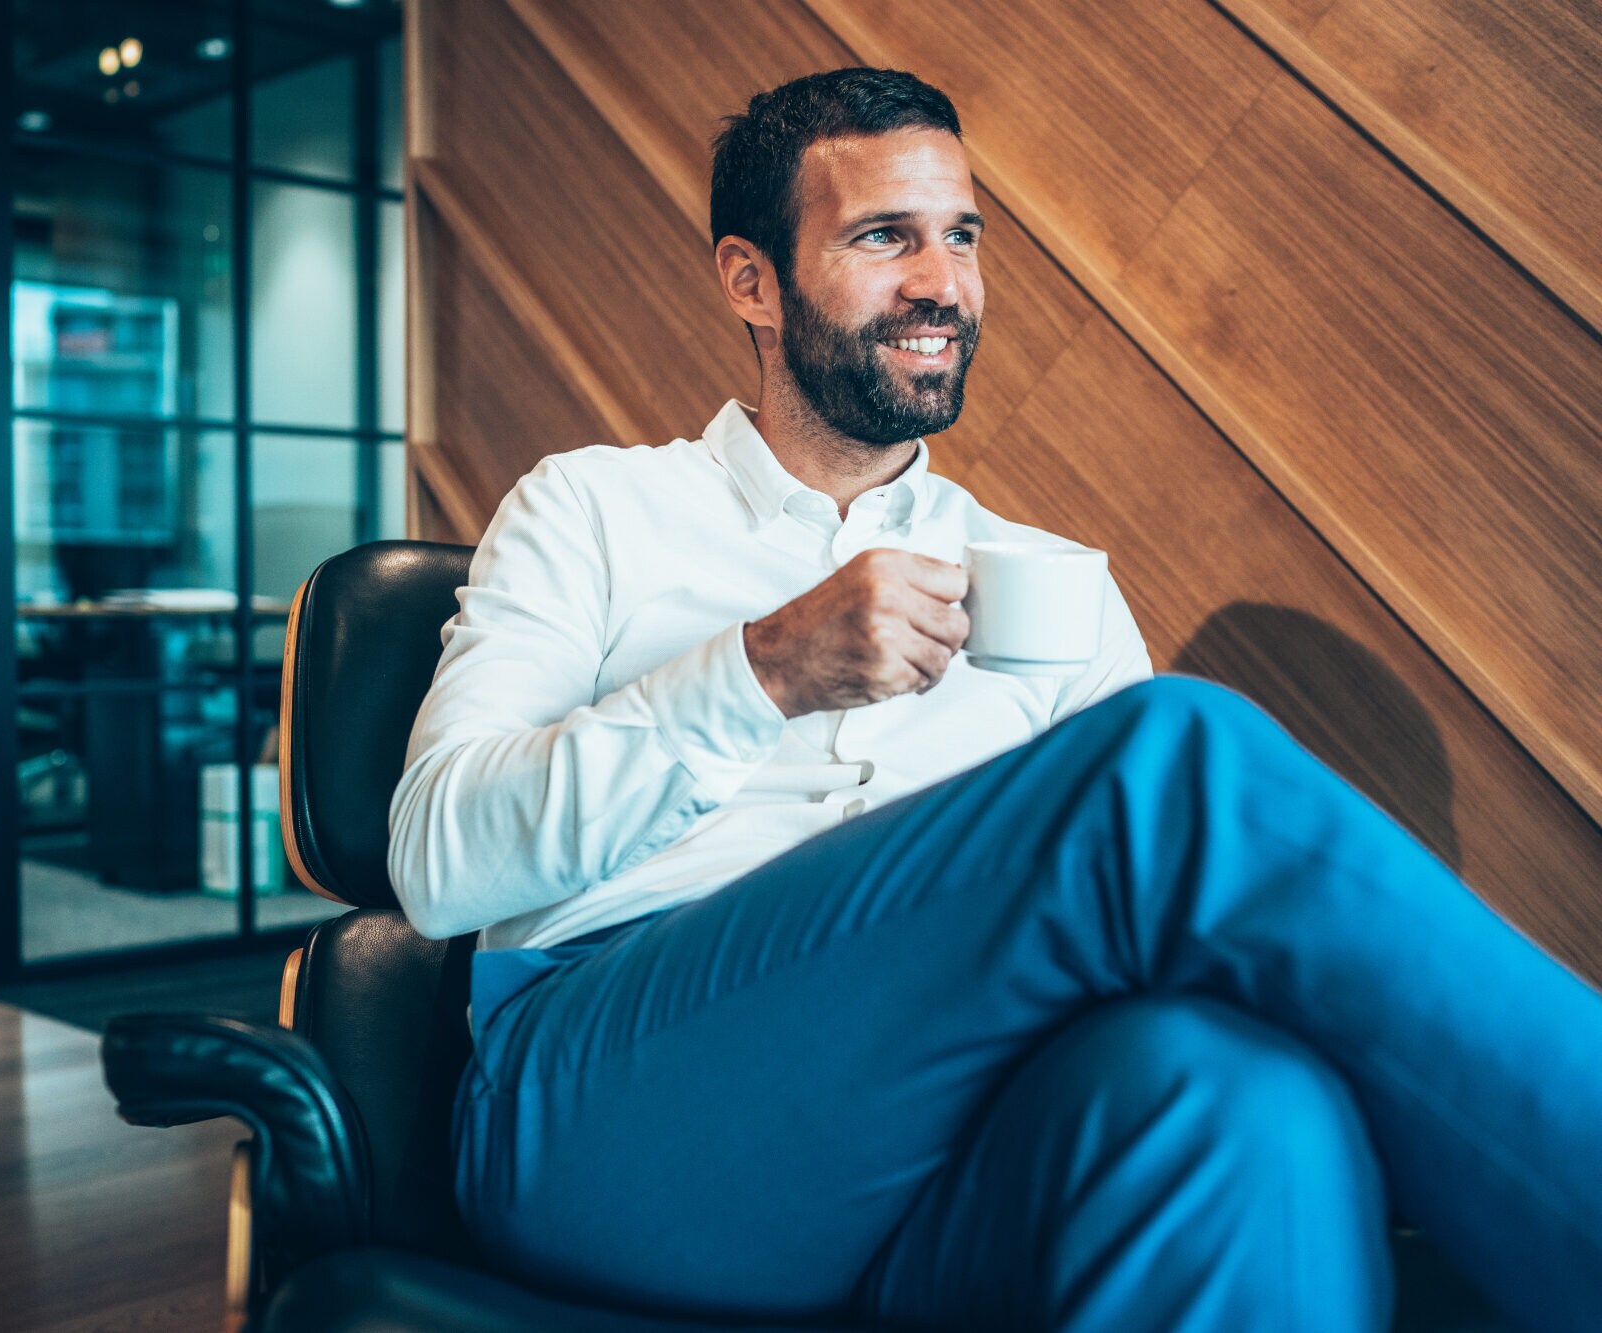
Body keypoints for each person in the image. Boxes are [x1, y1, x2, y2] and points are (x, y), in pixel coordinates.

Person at [386, 68, 1600, 1332]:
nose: (941, 282)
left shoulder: (1042, 581)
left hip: (947, 1154)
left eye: (959, 235)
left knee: (1236, 1096)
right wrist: (758, 674)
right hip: (615, 1118)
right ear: (751, 282)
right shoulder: (587, 509)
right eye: (881, 237)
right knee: (1173, 757)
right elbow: (434, 858)